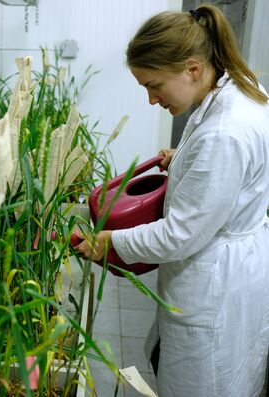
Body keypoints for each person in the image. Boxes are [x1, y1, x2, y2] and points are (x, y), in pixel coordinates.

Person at [75, 4, 269, 396]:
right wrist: (184, 157)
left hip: (216, 280)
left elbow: (180, 235)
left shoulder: (223, 135)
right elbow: (228, 172)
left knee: (202, 382)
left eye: (154, 85)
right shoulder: (241, 86)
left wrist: (111, 241)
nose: (150, 99)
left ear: (192, 69)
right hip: (240, 264)